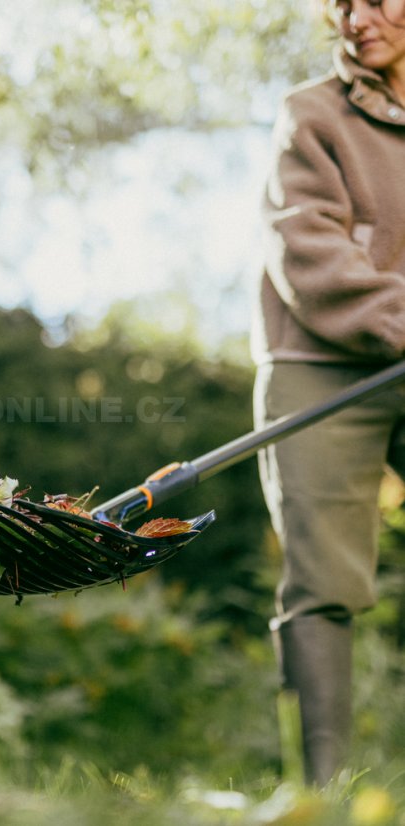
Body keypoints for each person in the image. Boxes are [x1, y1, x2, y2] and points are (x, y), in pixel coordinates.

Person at [253, 0, 405, 786]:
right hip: (320, 364)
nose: (358, 16)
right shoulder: (311, 115)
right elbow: (304, 249)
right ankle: (322, 792)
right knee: (323, 583)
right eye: (342, 1)